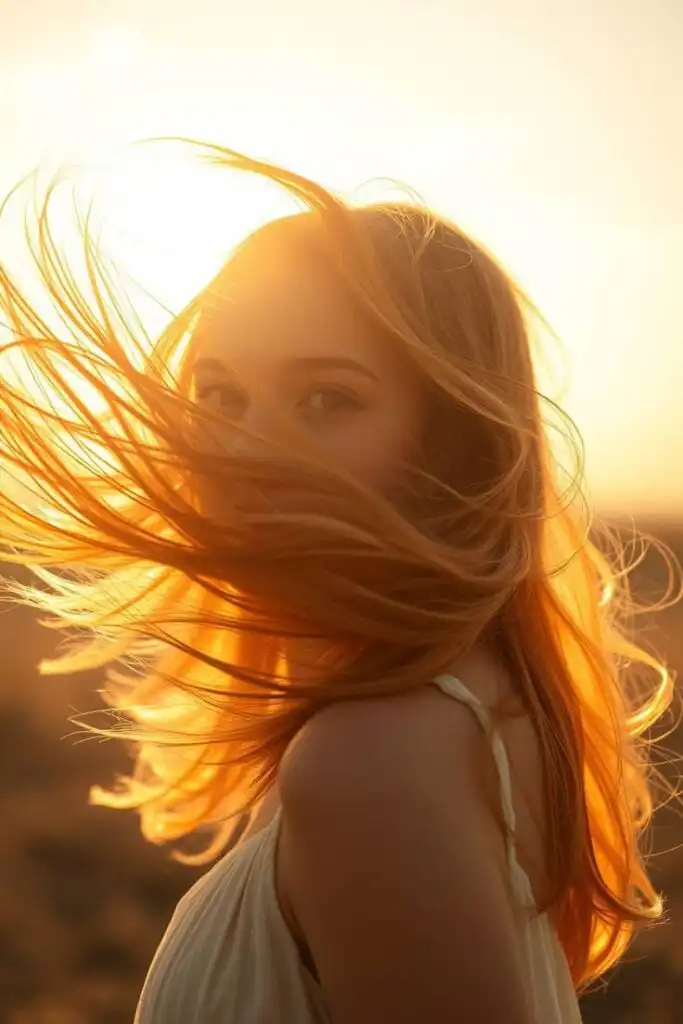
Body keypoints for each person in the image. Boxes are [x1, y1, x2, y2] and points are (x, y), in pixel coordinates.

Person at [0, 142, 678, 1023]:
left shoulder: (372, 762)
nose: (242, 452)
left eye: (327, 399)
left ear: (452, 444)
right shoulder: (467, 709)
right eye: (219, 395)